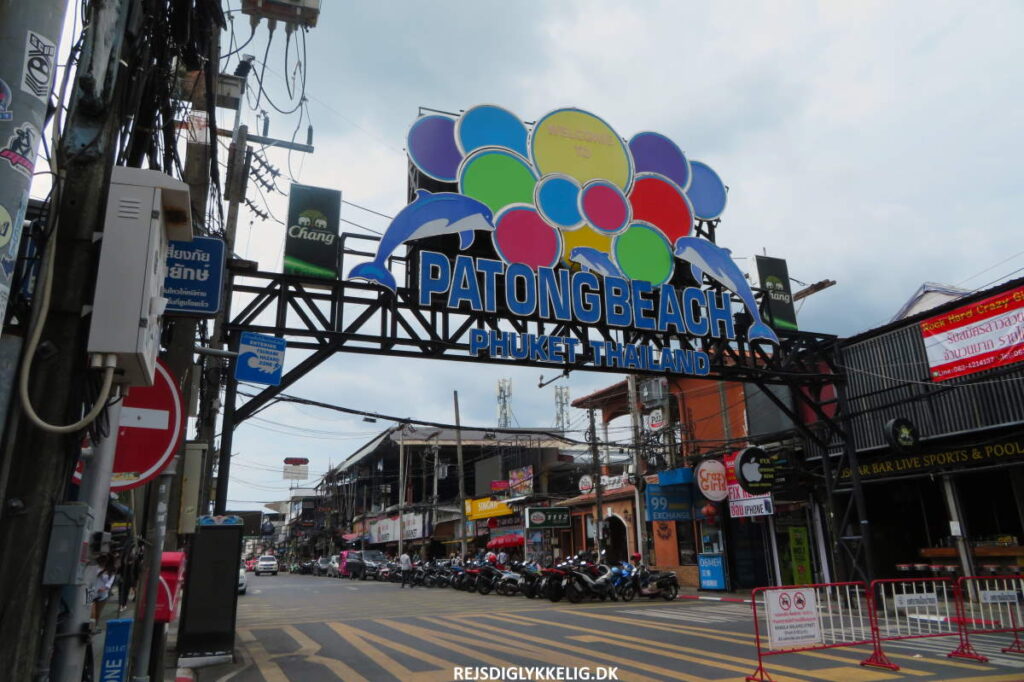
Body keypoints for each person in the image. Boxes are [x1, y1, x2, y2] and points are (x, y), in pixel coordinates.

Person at [91, 555, 117, 623]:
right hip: (91, 592)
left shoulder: (111, 572)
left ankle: (94, 626)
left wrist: (105, 588)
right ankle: (90, 626)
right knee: (91, 613)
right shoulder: (96, 567)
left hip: (102, 594)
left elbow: (109, 583)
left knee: (97, 614)